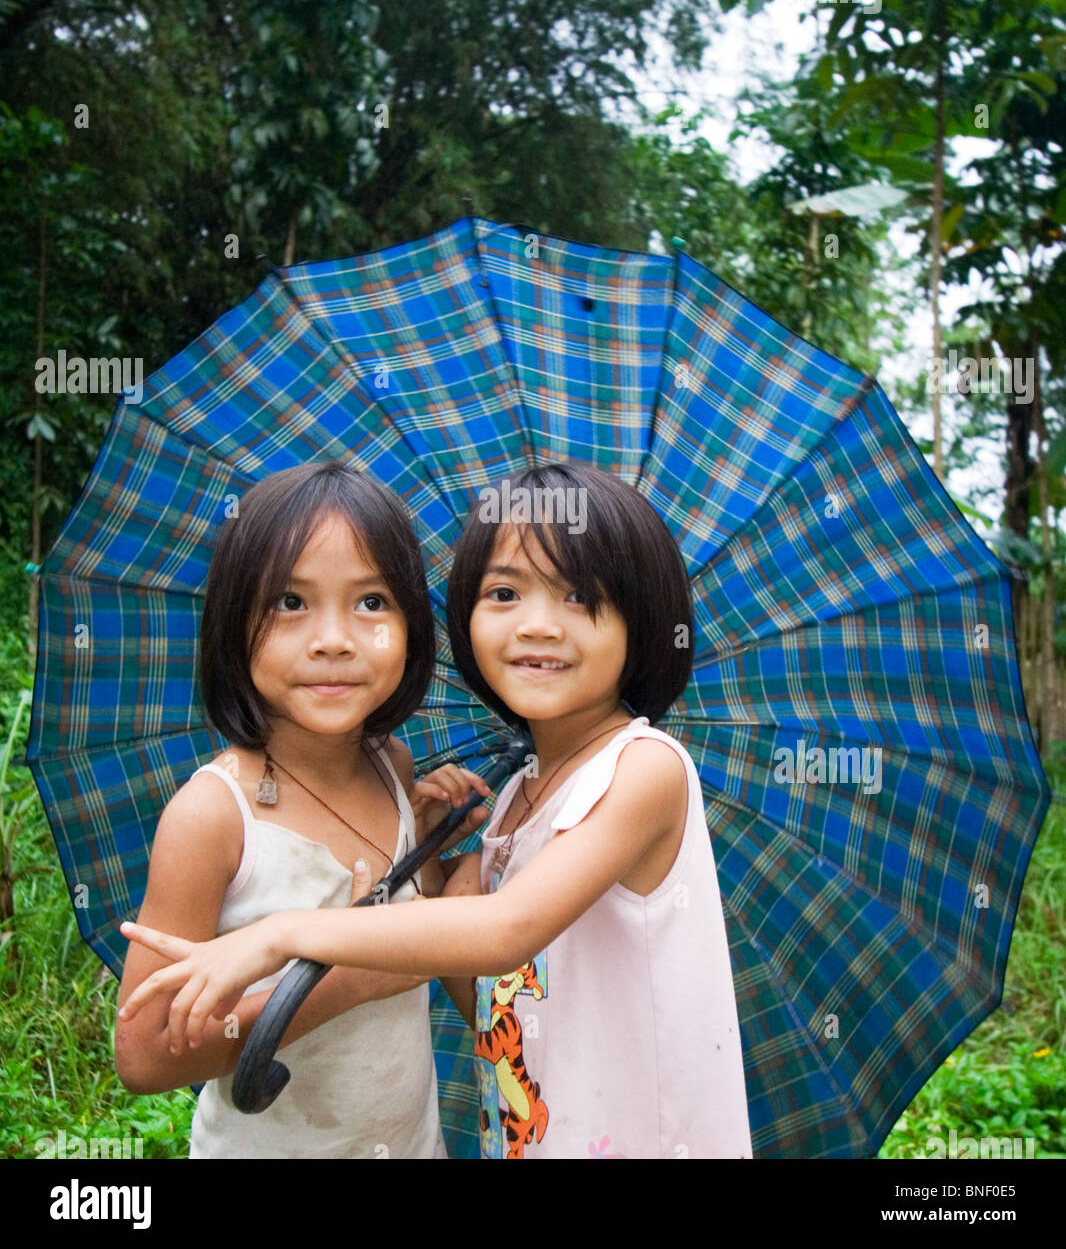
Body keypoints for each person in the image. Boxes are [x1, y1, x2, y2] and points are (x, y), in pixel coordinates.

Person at [119, 462, 753, 1160]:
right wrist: (434, 866)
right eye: (505, 592)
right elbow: (490, 996)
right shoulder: (512, 799)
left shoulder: (645, 769)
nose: (538, 626)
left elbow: (504, 932)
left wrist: (289, 938)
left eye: (580, 595)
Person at [114, 459, 487, 1159]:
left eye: (372, 602)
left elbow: (404, 910)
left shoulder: (392, 766)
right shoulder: (215, 818)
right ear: (234, 622)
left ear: (411, 625)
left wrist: (431, 848)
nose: (334, 639)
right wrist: (355, 979)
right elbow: (144, 1054)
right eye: (290, 602)